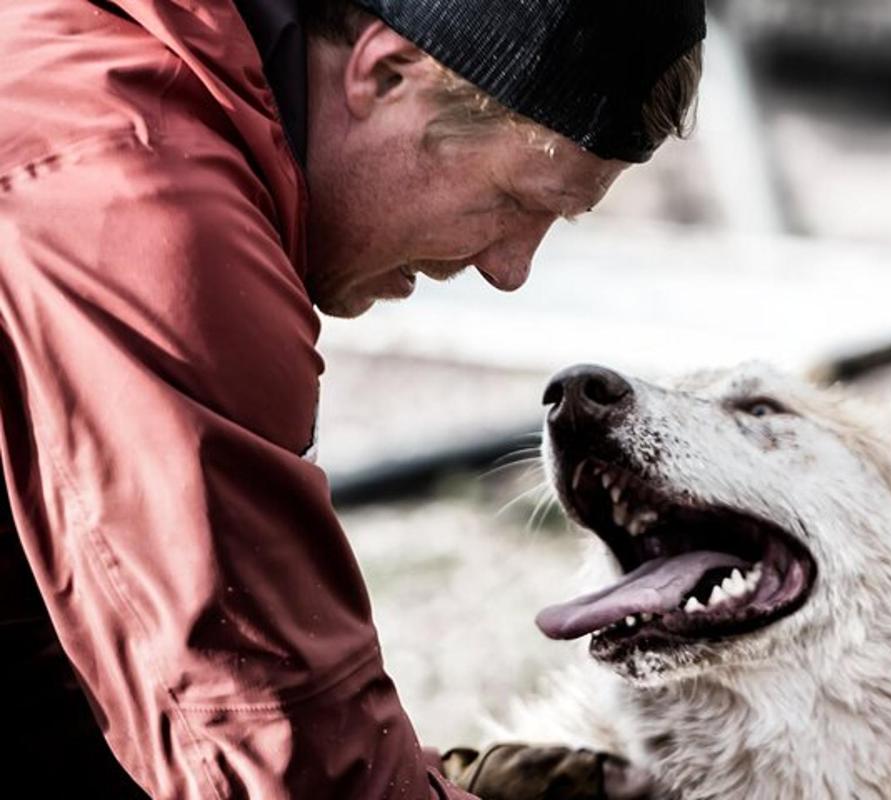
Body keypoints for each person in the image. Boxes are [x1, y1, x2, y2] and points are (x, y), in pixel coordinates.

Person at [0, 0, 704, 797]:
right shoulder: (141, 211)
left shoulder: (80, 67)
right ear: (383, 73)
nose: (511, 270)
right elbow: (269, 744)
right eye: (518, 200)